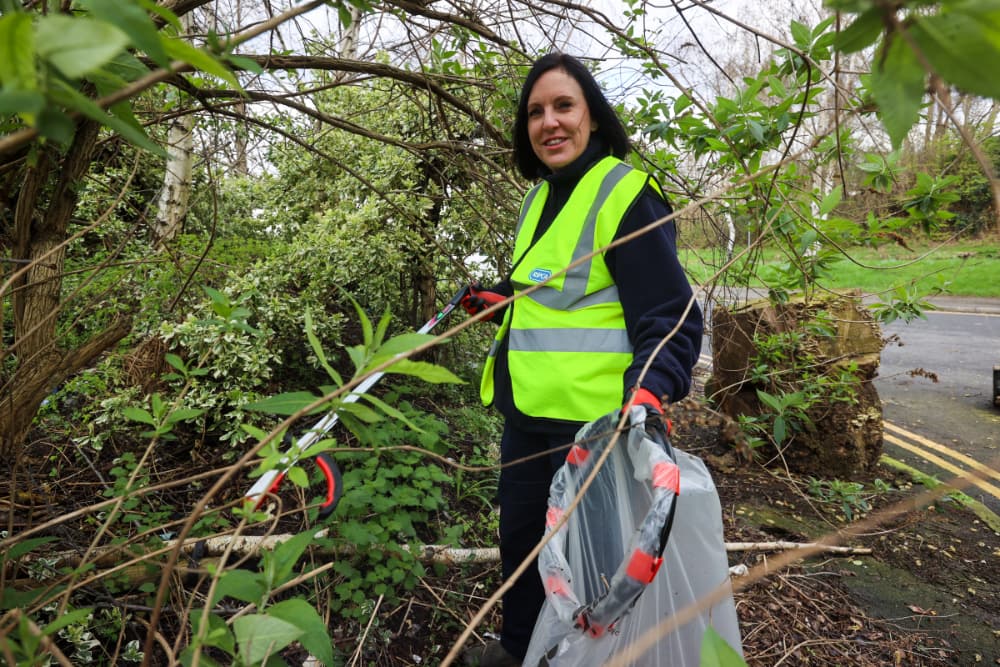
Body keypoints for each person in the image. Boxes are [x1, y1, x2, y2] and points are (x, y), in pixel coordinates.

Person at [460, 52, 703, 667]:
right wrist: (501, 302)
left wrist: (649, 393)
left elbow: (671, 316)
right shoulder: (540, 196)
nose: (550, 122)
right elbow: (557, 296)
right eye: (536, 112)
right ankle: (519, 651)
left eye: (563, 105)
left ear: (592, 115)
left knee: (592, 577)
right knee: (523, 554)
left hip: (596, 436)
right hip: (528, 422)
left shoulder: (624, 194)